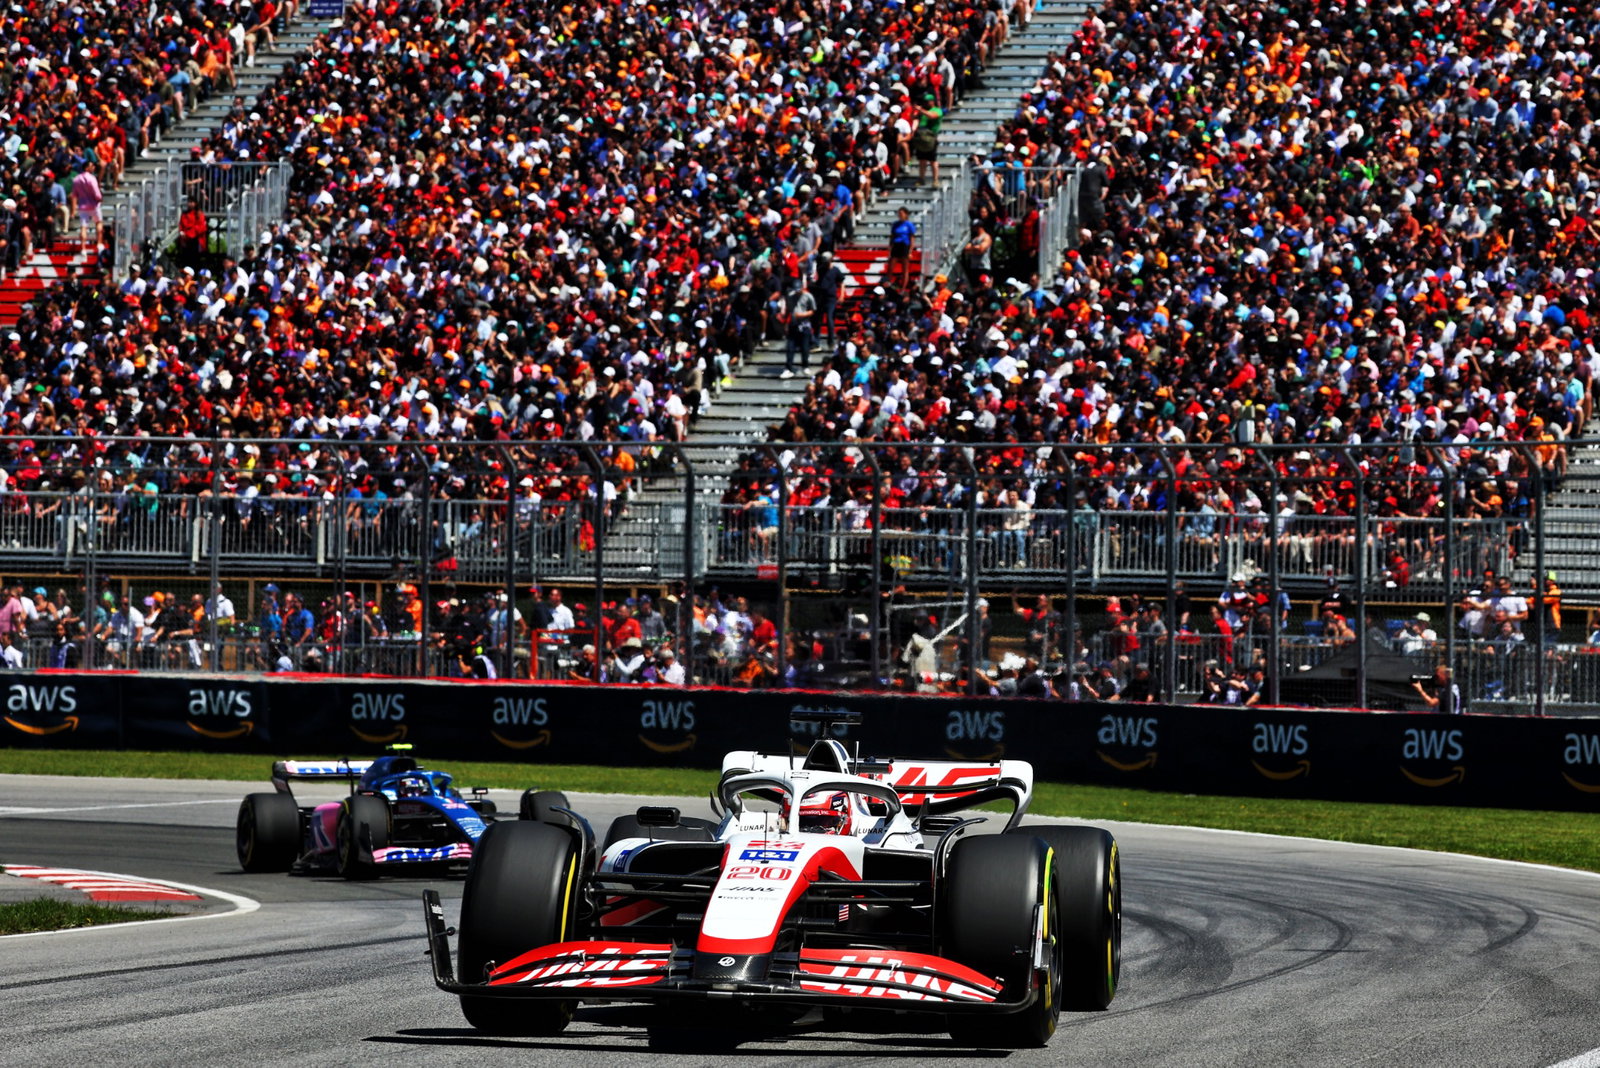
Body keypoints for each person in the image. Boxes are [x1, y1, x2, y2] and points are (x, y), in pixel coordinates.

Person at [888, 207, 916, 292]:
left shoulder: (909, 225)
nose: (900, 215)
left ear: (906, 214)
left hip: (904, 246)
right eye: (899, 213)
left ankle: (903, 287)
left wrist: (910, 250)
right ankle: (888, 284)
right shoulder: (895, 224)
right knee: (890, 267)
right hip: (896, 245)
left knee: (905, 269)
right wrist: (890, 247)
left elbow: (912, 238)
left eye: (901, 213)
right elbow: (892, 236)